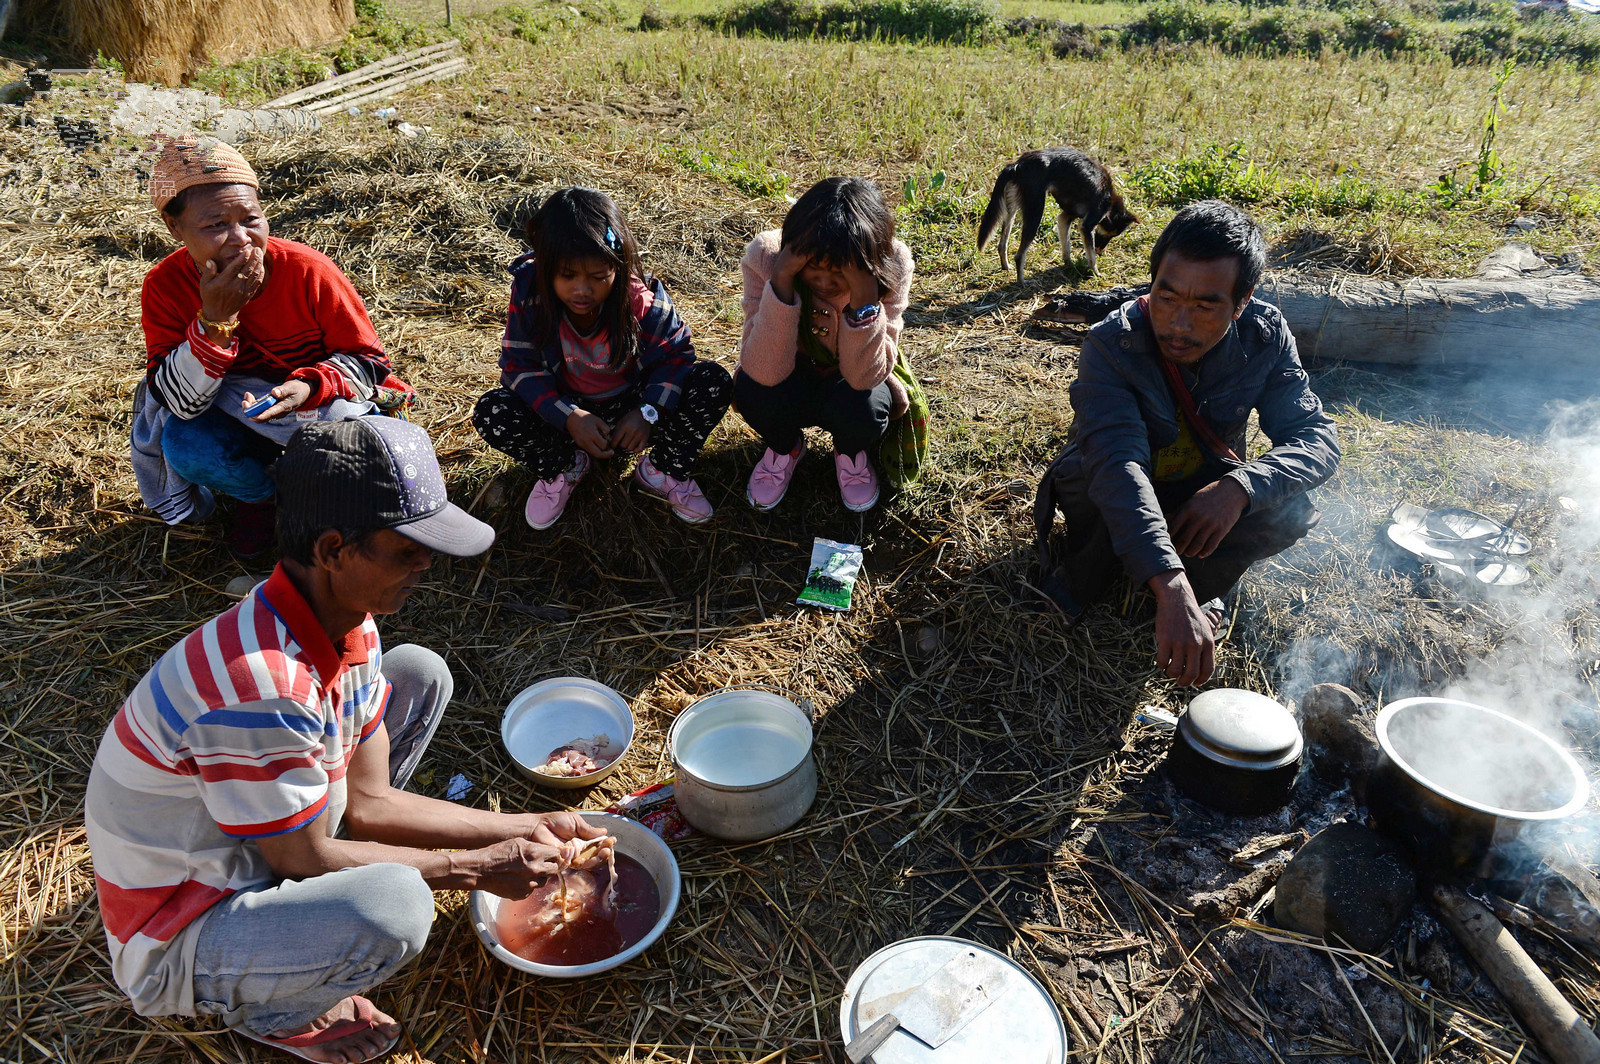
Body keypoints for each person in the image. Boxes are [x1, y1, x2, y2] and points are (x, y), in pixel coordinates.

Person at [87, 417, 611, 1064]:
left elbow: (369, 802)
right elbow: (301, 859)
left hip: (252, 836)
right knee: (395, 906)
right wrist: (477, 867)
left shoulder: (346, 623)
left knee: (418, 675)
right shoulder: (262, 689)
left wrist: (536, 824)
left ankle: (319, 912)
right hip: (182, 924)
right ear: (333, 549)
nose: (427, 566)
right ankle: (274, 1012)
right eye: (406, 551)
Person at [1034, 200, 1341, 686]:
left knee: (1290, 509)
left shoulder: (1264, 336)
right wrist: (1171, 588)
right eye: (1167, 297)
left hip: (1202, 484)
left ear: (1241, 303)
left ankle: (1207, 584)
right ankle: (1082, 577)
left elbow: (1316, 437)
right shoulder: (1111, 345)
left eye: (1204, 307)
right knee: (1095, 482)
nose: (1178, 324)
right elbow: (1119, 465)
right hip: (1110, 481)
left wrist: (1239, 488)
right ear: (1151, 282)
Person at [131, 137, 413, 558]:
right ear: (176, 229)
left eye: (251, 219)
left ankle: (313, 494)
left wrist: (306, 388)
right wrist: (216, 320)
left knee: (344, 433)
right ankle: (264, 499)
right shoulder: (165, 287)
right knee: (184, 442)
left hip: (312, 406)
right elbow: (179, 402)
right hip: (232, 416)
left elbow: (367, 360)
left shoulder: (306, 271)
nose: (241, 239)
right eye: (215, 225)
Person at [472, 187, 733, 529]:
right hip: (567, 413)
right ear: (546, 267)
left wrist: (648, 412)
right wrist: (569, 417)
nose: (582, 290)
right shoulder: (530, 294)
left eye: (598, 277)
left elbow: (676, 356)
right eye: (567, 276)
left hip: (633, 409)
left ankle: (662, 470)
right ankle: (566, 465)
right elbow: (518, 366)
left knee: (712, 382)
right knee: (493, 410)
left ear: (618, 267)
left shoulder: (642, 302)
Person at [735, 177, 923, 514]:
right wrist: (781, 281)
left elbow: (865, 378)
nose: (823, 282)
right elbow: (763, 369)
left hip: (849, 382)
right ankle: (785, 448)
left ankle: (850, 454)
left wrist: (865, 298)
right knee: (752, 390)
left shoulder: (893, 264)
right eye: (812, 268)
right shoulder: (766, 256)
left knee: (866, 408)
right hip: (786, 375)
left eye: (838, 272)